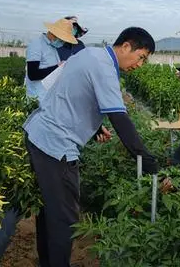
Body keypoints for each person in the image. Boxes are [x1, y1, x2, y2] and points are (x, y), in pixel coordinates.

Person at [23, 27, 160, 267]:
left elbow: (65, 92)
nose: (140, 65)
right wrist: (147, 161)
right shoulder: (105, 68)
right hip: (56, 147)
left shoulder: (89, 54)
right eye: (141, 57)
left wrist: (95, 128)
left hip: (38, 134)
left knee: (50, 212)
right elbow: (120, 119)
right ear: (126, 46)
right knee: (64, 220)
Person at [25, 18, 77, 100]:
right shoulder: (36, 45)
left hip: (48, 97)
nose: (63, 43)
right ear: (54, 34)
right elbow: (32, 74)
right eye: (62, 40)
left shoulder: (52, 47)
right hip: (37, 98)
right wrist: (57, 67)